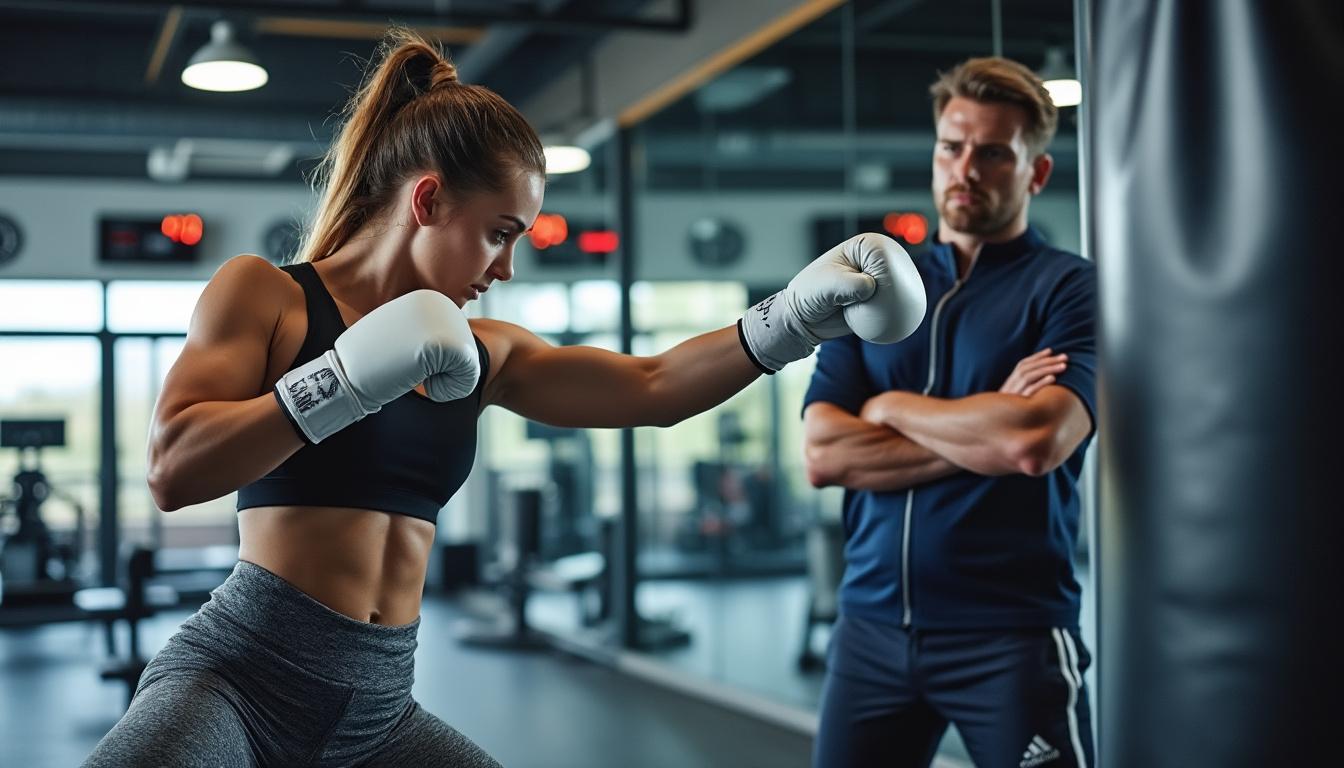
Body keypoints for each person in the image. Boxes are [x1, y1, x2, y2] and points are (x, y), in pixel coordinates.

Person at [82, 28, 925, 768]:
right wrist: (341, 381)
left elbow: (654, 386)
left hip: (377, 711)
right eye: (500, 234)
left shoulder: (483, 353)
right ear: (427, 200)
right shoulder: (266, 294)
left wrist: (790, 320)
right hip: (240, 679)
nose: (506, 269)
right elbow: (171, 470)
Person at [802, 57, 1098, 768]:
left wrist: (889, 405)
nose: (967, 168)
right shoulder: (871, 289)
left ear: (1036, 173)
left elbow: (1035, 440)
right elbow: (824, 455)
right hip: (870, 629)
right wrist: (985, 425)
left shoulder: (1068, 291)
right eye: (952, 147)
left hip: (1011, 635)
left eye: (994, 153)